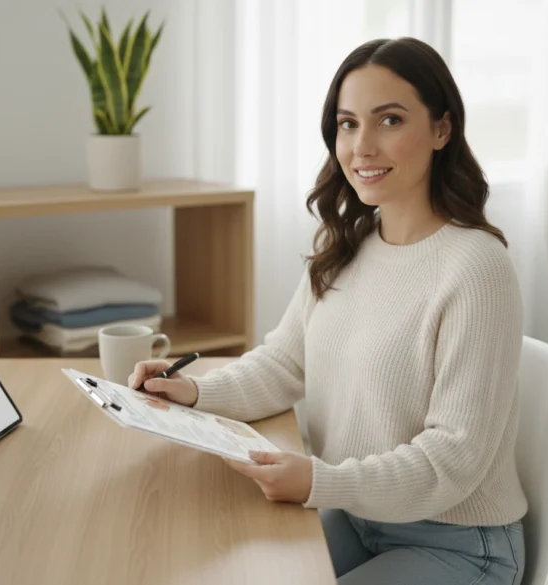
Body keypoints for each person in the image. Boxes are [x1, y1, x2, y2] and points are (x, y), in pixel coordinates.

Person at [128, 36, 526, 585]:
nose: (361, 147)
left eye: (389, 120)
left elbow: (453, 458)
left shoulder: (477, 269)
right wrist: (194, 391)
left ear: (441, 129)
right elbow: (284, 365)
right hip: (358, 517)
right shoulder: (347, 245)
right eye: (347, 124)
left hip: (457, 544)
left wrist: (319, 482)